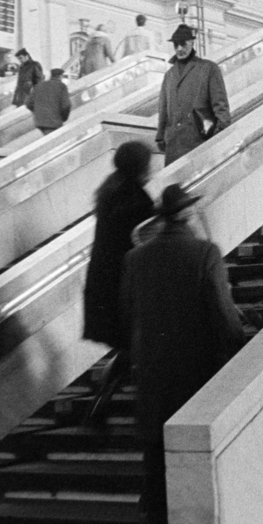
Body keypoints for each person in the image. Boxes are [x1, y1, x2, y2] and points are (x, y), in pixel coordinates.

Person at [121, 183, 245, 524]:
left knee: (156, 444)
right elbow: (223, 313)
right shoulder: (205, 253)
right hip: (196, 365)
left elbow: (128, 313)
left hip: (152, 366)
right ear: (188, 215)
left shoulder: (136, 258)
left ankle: (156, 517)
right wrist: (238, 347)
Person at [82, 140, 156, 425]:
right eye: (148, 162)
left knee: (129, 347)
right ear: (140, 166)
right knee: (134, 346)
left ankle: (100, 405)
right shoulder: (136, 199)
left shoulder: (110, 191)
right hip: (122, 289)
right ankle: (102, 406)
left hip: (104, 286)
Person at [157, 24, 231, 164]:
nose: (179, 48)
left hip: (200, 142)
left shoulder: (208, 68)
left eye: (183, 44)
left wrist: (219, 136)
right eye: (176, 44)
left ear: (191, 43)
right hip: (174, 145)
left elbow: (221, 106)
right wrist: (161, 135)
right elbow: (163, 108)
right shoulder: (169, 75)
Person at [29, 67, 71, 135]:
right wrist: (64, 118)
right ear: (60, 76)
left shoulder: (39, 85)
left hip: (40, 121)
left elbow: (29, 103)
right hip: (54, 121)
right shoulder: (61, 86)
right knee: (54, 141)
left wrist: (38, 111)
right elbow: (66, 105)